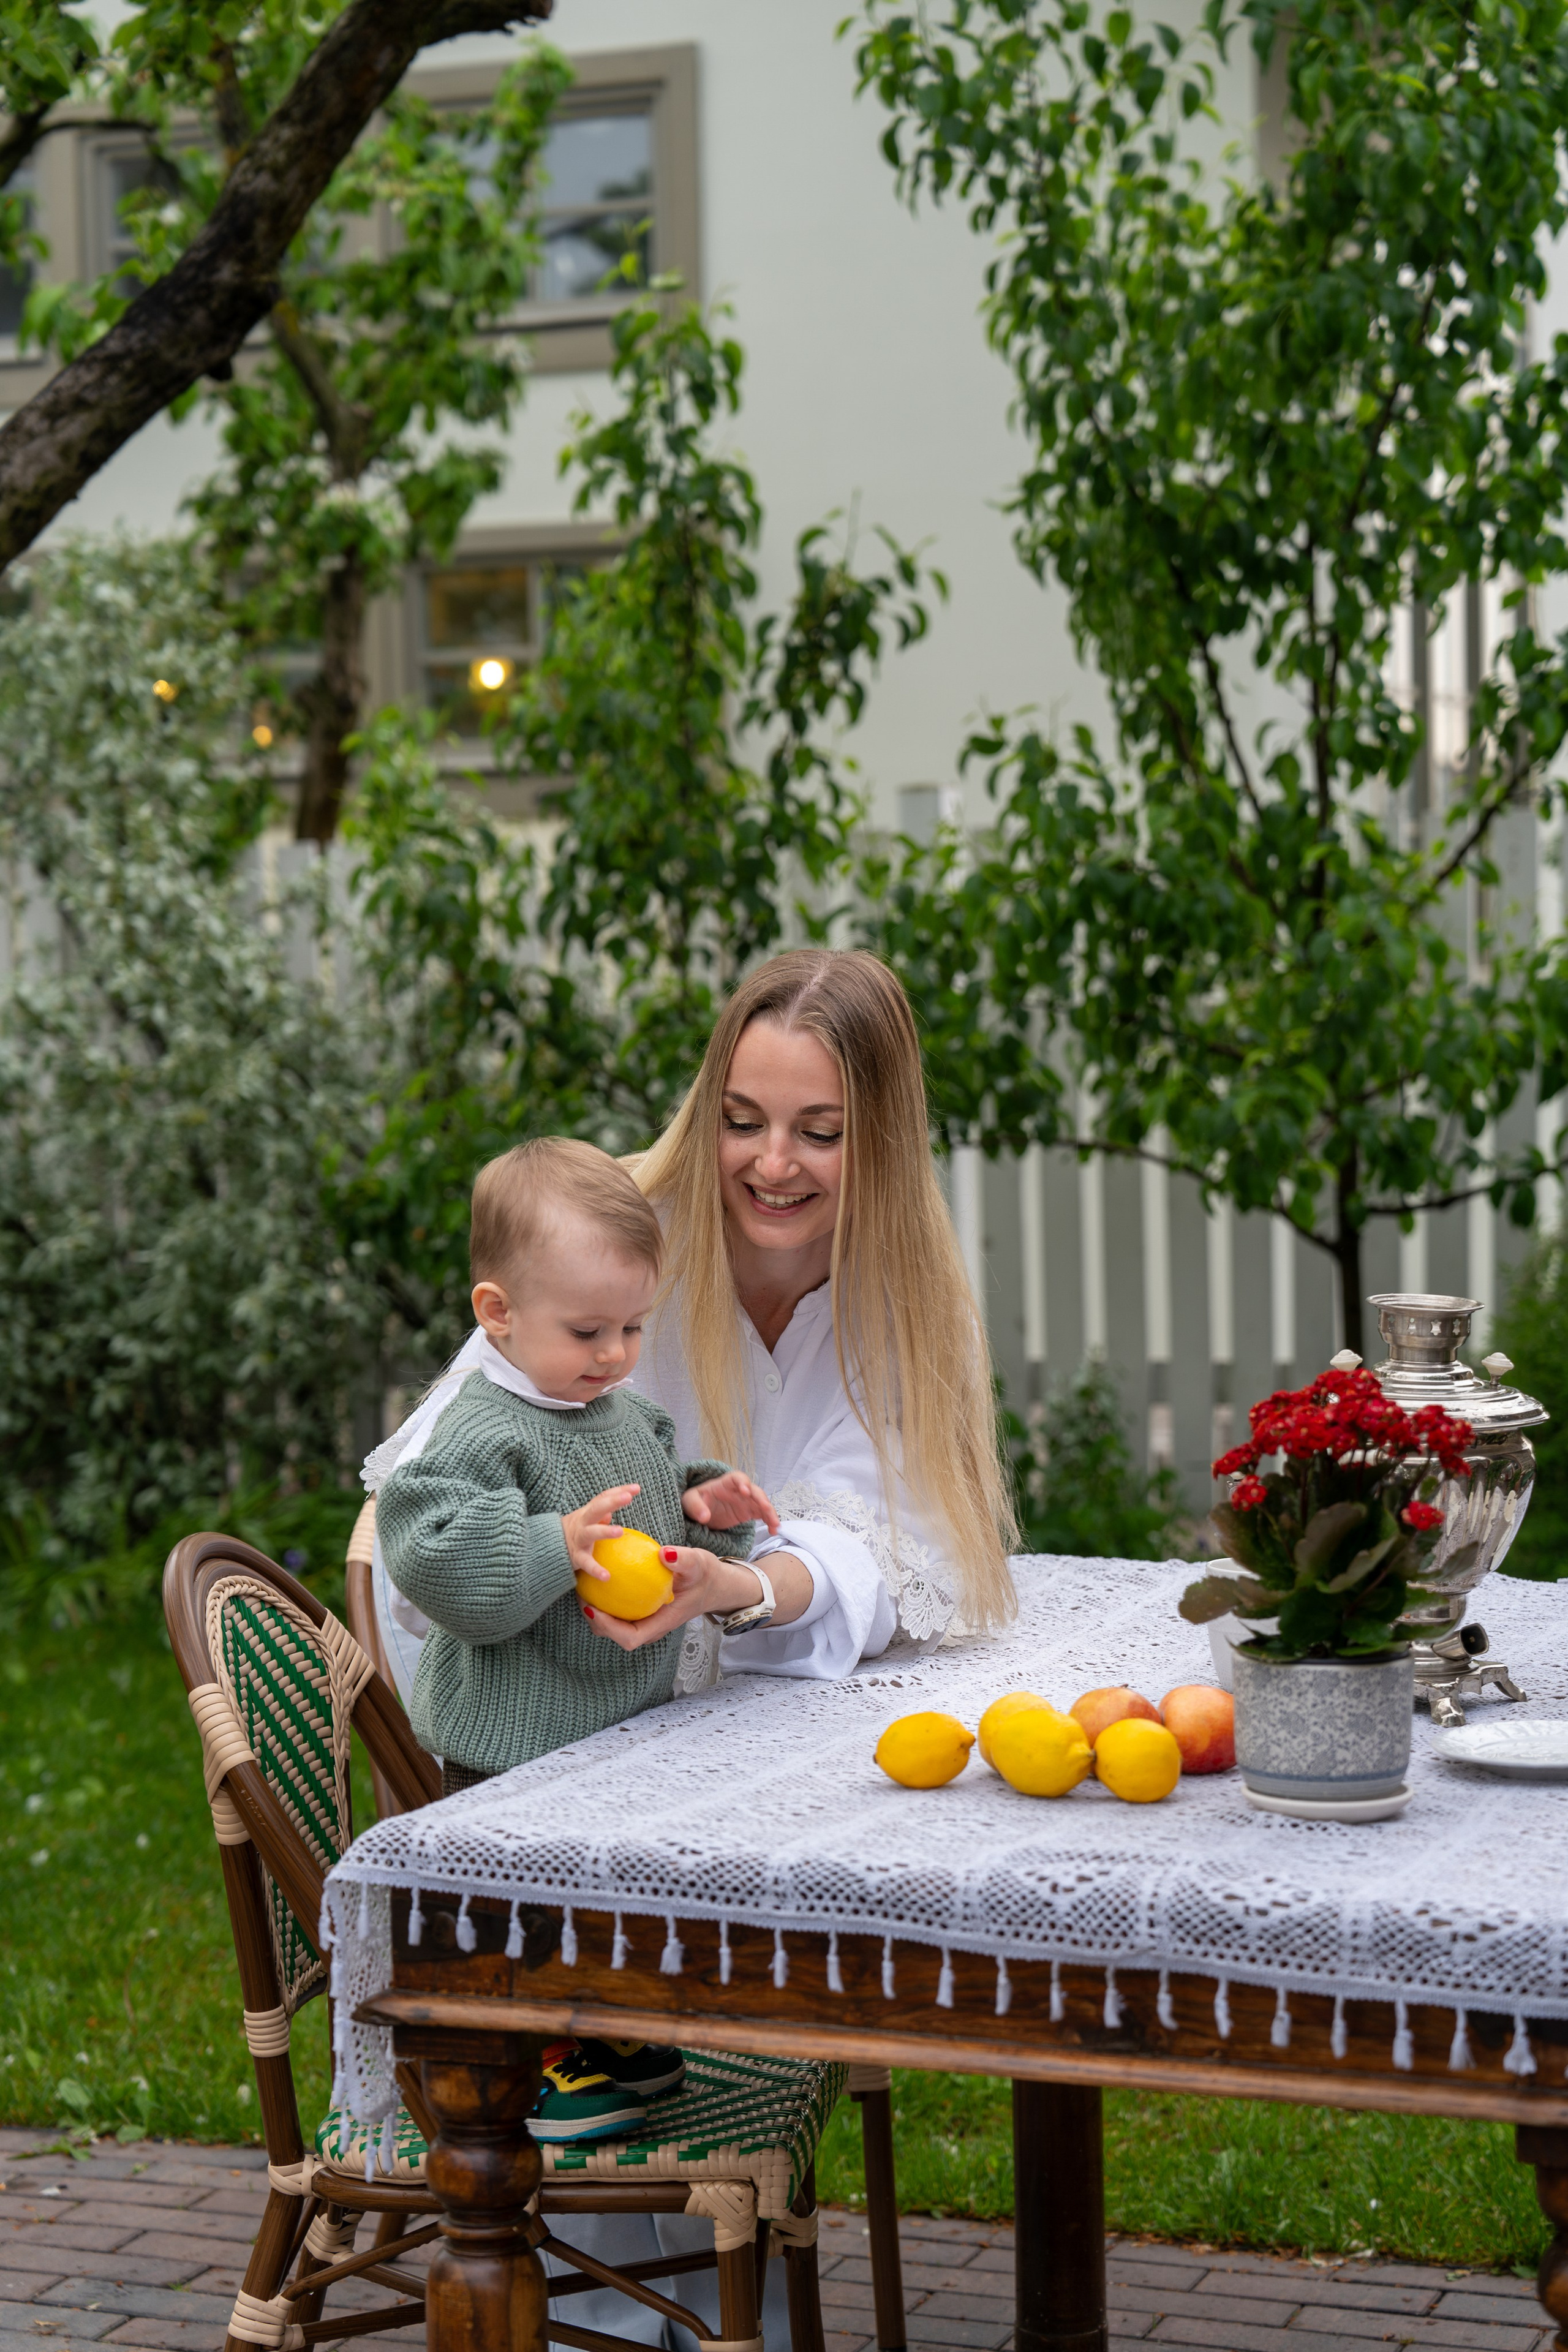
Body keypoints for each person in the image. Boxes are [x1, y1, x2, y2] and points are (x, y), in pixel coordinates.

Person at [369, 948, 1017, 2344]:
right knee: (603, 2012)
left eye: (819, 1131)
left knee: (690, 1998)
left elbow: (904, 1542)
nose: (770, 1162)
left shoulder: (898, 1290)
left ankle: (710, 2292)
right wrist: (549, 1577)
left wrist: (733, 1577)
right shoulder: (611, 1248)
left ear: (879, 1142)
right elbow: (425, 1503)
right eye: (742, 1117)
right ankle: (625, 2311)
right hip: (549, 1738)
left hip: (722, 1720)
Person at [368, 1136, 776, 2144]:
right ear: (497, 1315)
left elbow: (658, 1523)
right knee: (522, 1916)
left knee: (600, 1901)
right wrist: (557, 1540)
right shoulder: (481, 1428)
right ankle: (535, 2060)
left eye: (635, 1325)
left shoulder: (621, 1413)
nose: (614, 1352)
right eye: (588, 1328)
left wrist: (705, 1507)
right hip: (510, 1745)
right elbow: (437, 1557)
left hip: (608, 1726)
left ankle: (603, 2034)